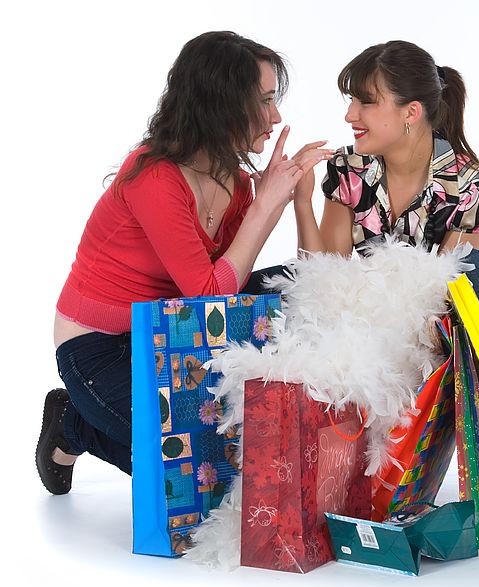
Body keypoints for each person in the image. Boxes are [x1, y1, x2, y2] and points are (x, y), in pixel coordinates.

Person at [37, 31, 333, 495]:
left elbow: (232, 285)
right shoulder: (154, 176)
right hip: (100, 347)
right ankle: (71, 424)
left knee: (293, 284)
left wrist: (291, 199)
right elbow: (211, 293)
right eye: (265, 101)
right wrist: (264, 205)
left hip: (170, 329)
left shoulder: (233, 180)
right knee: (195, 476)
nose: (276, 117)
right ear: (222, 104)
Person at [290, 41, 479, 512]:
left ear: (411, 112)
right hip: (357, 324)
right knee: (268, 281)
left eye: (365, 100)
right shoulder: (350, 170)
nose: (350, 114)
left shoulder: (468, 187)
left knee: (478, 273)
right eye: (350, 100)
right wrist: (301, 202)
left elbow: (443, 296)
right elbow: (321, 277)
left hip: (433, 332)